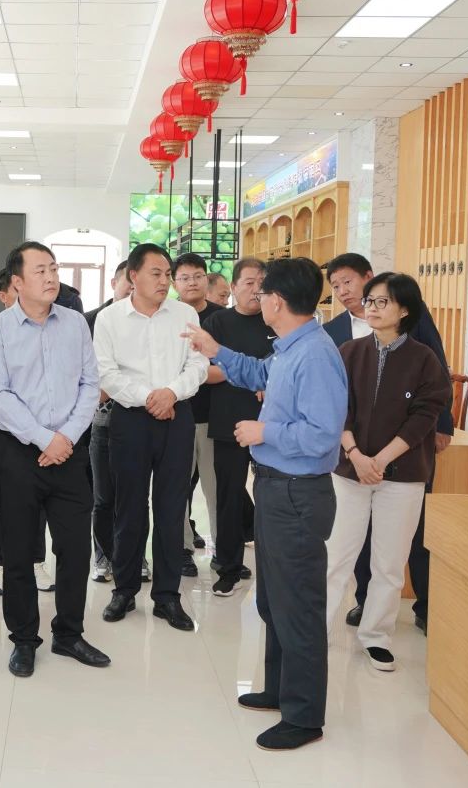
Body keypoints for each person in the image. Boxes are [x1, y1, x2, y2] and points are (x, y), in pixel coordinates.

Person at [183, 256, 346, 751]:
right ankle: (278, 689)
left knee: (298, 605)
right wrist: (215, 348)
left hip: (298, 493)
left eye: (263, 293)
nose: (258, 300)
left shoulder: (315, 355)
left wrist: (264, 432)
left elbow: (322, 436)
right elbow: (256, 371)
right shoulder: (290, 347)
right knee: (273, 599)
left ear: (277, 300)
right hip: (276, 488)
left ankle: (304, 716)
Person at [0, 241, 108, 677]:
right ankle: (23, 639)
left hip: (69, 450)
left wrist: (65, 437)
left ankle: (69, 633)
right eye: (40, 270)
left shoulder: (74, 323)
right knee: (19, 550)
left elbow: (90, 384)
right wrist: (42, 438)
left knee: (74, 549)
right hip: (18, 451)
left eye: (53, 268)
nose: (51, 277)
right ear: (17, 282)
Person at [328, 272, 450, 672]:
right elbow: (338, 408)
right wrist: (356, 455)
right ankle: (316, 629)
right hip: (349, 470)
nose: (372, 308)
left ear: (405, 310)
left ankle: (376, 636)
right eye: (370, 301)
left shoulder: (424, 359)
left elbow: (423, 419)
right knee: (336, 556)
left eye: (382, 302)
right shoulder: (349, 351)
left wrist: (379, 461)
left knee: (389, 562)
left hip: (402, 475)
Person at [94, 243, 208, 631]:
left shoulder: (185, 314)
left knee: (172, 508)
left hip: (177, 416)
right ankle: (124, 589)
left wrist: (170, 393)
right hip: (130, 418)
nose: (164, 281)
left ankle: (167, 596)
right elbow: (106, 373)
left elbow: (198, 364)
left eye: (167, 274)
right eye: (156, 273)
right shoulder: (110, 318)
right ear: (133, 276)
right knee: (128, 507)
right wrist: (149, 397)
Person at [0, 268, 51, 597]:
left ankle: (35, 560)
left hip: (42, 431)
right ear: (5, 295)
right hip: (2, 429)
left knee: (37, 499)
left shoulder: (48, 330)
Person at [205, 258, 275, 597]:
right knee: (229, 498)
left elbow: (284, 369)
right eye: (249, 282)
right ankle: (228, 567)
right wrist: (254, 373)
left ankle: (273, 569)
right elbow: (205, 372)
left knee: (272, 498)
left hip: (272, 424)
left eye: (262, 282)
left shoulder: (275, 320)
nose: (256, 289)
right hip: (229, 422)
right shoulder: (218, 322)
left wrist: (266, 377)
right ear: (233, 288)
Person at [172, 252, 225, 573]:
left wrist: (192, 374)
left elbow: (231, 367)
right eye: (184, 277)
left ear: (207, 279)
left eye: (198, 276)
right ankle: (181, 549)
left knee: (215, 489)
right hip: (175, 415)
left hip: (213, 417)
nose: (192, 282)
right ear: (174, 283)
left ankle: (222, 551)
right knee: (177, 488)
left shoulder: (222, 318)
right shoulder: (169, 316)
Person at [84, 260, 131, 583]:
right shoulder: (89, 321)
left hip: (137, 420)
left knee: (134, 496)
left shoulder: (147, 322)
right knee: (102, 496)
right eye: (128, 281)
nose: (132, 288)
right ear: (114, 283)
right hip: (99, 421)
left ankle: (132, 556)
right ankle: (103, 555)